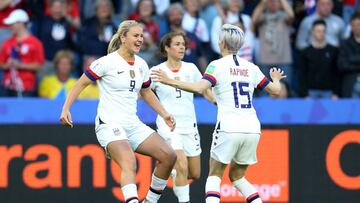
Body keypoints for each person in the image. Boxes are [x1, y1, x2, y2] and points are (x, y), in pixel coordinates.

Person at [151, 24, 285, 203]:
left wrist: (169, 81)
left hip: (229, 127)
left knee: (214, 176)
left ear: (222, 43)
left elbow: (200, 87)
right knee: (238, 177)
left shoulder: (216, 66)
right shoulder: (251, 67)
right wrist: (275, 79)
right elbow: (275, 90)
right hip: (252, 128)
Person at [60, 20, 177, 203]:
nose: (140, 39)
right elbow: (80, 83)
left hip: (132, 124)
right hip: (109, 124)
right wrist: (66, 108)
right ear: (123, 38)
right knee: (129, 162)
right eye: (136, 35)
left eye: (141, 35)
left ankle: (150, 201)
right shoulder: (107, 62)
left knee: (169, 156)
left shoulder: (141, 65)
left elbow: (146, 92)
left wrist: (164, 113)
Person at [150, 32, 216, 203]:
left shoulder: (191, 68)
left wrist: (216, 101)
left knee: (194, 173)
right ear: (167, 47)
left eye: (183, 44)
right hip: (169, 125)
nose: (182, 47)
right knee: (181, 164)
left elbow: (204, 90)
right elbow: (142, 92)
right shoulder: (156, 71)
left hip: (189, 125)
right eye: (178, 44)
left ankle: (170, 170)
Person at [0, 9, 45, 97]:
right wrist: (8, 65)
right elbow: (1, 63)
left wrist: (20, 65)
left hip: (27, 87)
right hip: (8, 86)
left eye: (12, 24)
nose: (10, 27)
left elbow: (39, 66)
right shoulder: (7, 42)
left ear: (21, 23)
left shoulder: (35, 43)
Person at [297, 19, 339, 98]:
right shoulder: (305, 53)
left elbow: (336, 73)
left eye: (323, 31)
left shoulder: (333, 51)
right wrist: (304, 94)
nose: (321, 33)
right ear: (312, 32)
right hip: (311, 91)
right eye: (318, 31)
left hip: (328, 91)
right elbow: (302, 74)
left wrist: (335, 93)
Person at [338, 11, 360, 98]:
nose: (357, 27)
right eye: (354, 25)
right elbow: (342, 65)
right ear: (351, 26)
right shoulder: (345, 44)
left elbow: (348, 62)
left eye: (359, 24)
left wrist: (352, 59)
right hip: (351, 83)